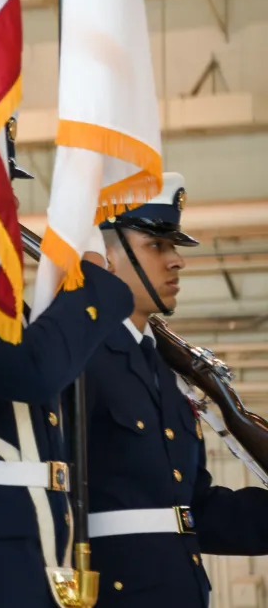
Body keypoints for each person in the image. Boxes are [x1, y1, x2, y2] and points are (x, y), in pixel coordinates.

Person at [0, 123, 135, 608]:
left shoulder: (13, 310)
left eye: (9, 189)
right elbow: (32, 371)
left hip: (39, 552)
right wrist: (90, 280)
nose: (10, 207)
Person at [80, 172, 268, 606]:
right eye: (156, 246)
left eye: (173, 247)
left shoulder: (163, 372)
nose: (176, 261)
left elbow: (194, 509)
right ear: (106, 256)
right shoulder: (79, 359)